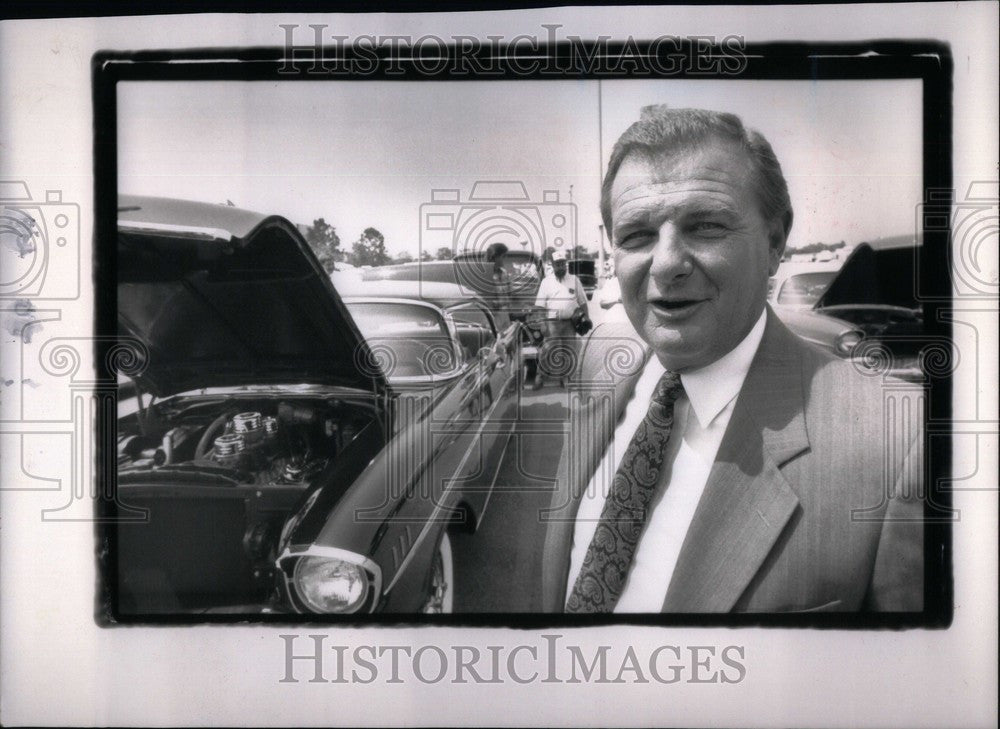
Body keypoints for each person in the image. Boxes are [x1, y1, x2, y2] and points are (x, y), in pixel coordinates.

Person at [540, 106, 923, 613]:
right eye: (636, 235)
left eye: (706, 227)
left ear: (774, 242)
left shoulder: (902, 440)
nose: (668, 263)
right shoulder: (599, 362)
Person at [533, 248, 587, 389]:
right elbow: (540, 306)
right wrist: (542, 324)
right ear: (552, 264)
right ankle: (540, 376)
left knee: (569, 351)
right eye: (558, 264)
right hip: (552, 323)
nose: (561, 267)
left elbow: (583, 302)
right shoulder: (546, 282)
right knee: (548, 350)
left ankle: (566, 378)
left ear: (566, 264)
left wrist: (586, 318)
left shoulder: (574, 280)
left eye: (563, 264)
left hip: (570, 323)